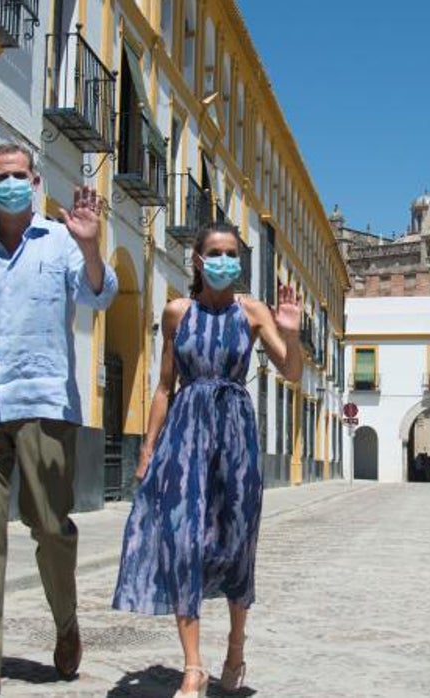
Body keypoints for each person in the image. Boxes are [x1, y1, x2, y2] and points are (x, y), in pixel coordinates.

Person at [0, 143, 118, 698]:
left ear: (35, 182)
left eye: (20, 175)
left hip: (44, 405)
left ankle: (66, 624)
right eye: (0, 177)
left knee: (50, 528)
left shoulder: (61, 242)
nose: (11, 183)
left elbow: (99, 294)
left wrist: (90, 247)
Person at [111, 221, 302, 698]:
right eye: (215, 252)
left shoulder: (253, 312)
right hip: (184, 438)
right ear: (197, 260)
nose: (224, 261)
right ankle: (192, 667)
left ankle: (236, 645)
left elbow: (293, 372)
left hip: (236, 441)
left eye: (232, 253)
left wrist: (292, 333)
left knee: (237, 545)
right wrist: (148, 449)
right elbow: (163, 387)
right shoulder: (177, 312)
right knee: (183, 544)